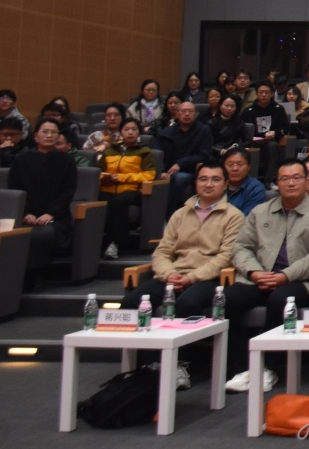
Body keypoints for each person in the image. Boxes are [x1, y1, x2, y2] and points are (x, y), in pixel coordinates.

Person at [223, 159, 309, 393]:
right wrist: (254, 272)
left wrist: (285, 275)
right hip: (259, 277)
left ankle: (269, 367)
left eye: (296, 178)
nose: (291, 183)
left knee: (280, 301)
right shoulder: (260, 211)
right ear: (277, 183)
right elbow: (241, 247)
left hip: (299, 280)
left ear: (307, 180)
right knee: (229, 298)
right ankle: (241, 368)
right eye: (285, 179)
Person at [121, 160, 244, 325]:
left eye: (215, 180)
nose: (208, 184)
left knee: (187, 304)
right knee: (130, 301)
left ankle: (184, 344)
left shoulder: (234, 216)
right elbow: (162, 251)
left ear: (226, 184)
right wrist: (169, 274)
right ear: (196, 183)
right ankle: (143, 343)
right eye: (203, 179)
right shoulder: (179, 214)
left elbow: (226, 257)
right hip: (173, 275)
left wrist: (191, 278)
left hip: (208, 279)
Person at [9, 119, 77, 288]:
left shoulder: (67, 161)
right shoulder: (21, 160)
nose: (49, 135)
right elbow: (14, 189)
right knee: (15, 234)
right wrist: (26, 213)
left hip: (57, 216)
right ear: (35, 136)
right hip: (26, 215)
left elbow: (68, 191)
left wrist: (51, 213)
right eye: (45, 132)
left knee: (42, 234)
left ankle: (36, 276)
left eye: (54, 132)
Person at [98, 118, 155, 258]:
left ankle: (114, 243)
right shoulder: (110, 151)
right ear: (121, 132)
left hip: (133, 189)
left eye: (134, 129)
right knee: (97, 203)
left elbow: (149, 175)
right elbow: (97, 171)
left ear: (139, 132)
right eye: (126, 129)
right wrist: (104, 177)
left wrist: (121, 177)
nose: (130, 132)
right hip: (108, 188)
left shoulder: (144, 151)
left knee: (118, 202)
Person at [156, 101, 214, 214]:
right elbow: (159, 153)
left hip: (191, 170)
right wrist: (162, 171)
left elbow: (204, 155)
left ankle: (169, 215)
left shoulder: (203, 131)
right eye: (183, 111)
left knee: (180, 178)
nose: (187, 114)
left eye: (190, 111)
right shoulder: (166, 133)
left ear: (195, 114)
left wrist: (180, 163)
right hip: (168, 170)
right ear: (177, 114)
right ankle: (155, 217)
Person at [221, 147, 267, 215]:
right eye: (230, 165)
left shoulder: (255, 188)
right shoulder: (218, 184)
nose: (235, 168)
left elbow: (249, 217)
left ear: (249, 166)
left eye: (240, 164)